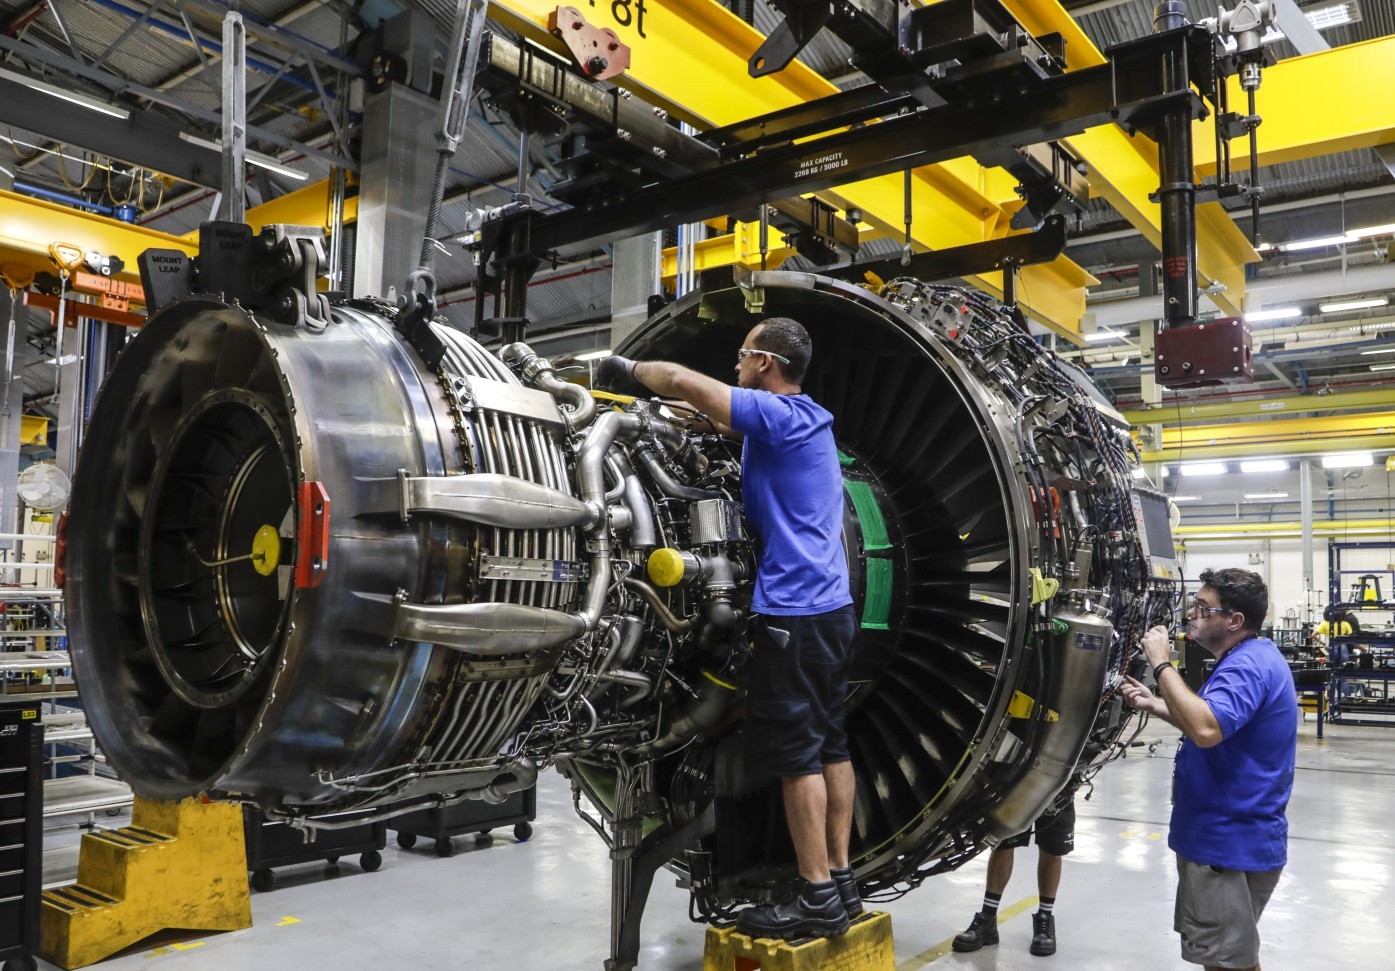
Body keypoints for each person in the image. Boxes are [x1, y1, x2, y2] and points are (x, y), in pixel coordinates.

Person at [595, 318, 858, 941]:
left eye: (743, 356)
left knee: (798, 760)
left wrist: (622, 371)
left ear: (766, 364)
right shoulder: (806, 420)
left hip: (793, 612)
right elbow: (714, 417)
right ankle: (842, 880)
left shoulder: (776, 414)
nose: (736, 364)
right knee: (831, 745)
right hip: (833, 611)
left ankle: (816, 893)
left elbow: (685, 381)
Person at [1121, 568, 1297, 971]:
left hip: (1225, 845)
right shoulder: (1250, 657)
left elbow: (1205, 727)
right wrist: (1155, 705)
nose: (1192, 614)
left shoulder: (1246, 667)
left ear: (1234, 621)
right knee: (1224, 959)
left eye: (1203, 608)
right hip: (1231, 839)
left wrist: (1162, 665)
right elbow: (1215, 720)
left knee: (1227, 964)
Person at [951, 797, 1074, 957]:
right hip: (1021, 779)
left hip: (1060, 783)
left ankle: (1045, 918)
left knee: (1052, 849)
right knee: (1003, 844)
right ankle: (987, 918)